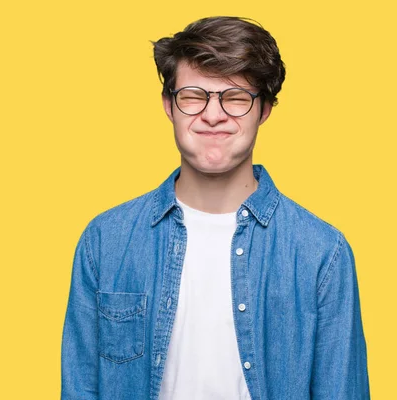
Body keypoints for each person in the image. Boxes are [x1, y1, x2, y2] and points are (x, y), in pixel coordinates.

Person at [61, 16, 369, 400]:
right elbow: (80, 389)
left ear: (265, 110)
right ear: (169, 106)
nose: (213, 115)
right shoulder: (106, 241)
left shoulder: (323, 253)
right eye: (193, 95)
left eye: (236, 98)